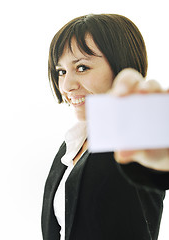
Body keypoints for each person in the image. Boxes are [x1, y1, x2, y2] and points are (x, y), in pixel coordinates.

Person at [41, 14, 169, 240]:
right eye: (61, 71)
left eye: (82, 67)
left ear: (121, 66)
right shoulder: (71, 145)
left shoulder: (134, 137)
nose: (67, 85)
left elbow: (156, 167)